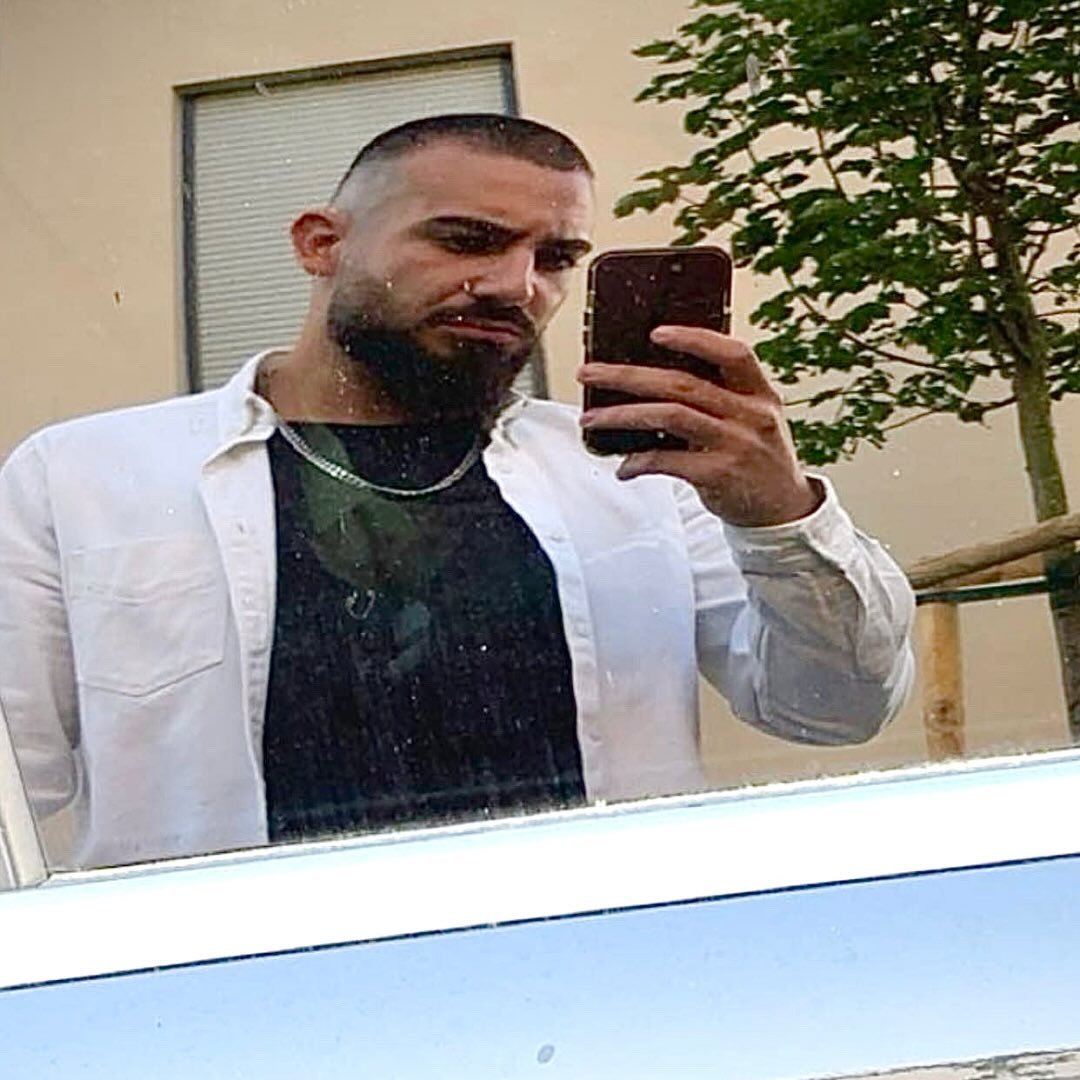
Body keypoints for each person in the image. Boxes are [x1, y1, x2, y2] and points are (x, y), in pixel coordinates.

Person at [0, 114, 914, 869]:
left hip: (600, 974)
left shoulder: (637, 479)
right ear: (321, 244)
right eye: (467, 240)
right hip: (225, 988)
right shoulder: (88, 477)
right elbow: (14, 779)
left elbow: (833, 709)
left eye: (556, 257)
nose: (516, 286)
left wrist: (781, 516)